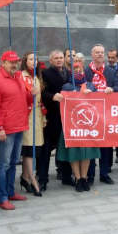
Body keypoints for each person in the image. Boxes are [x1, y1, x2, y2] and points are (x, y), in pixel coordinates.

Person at [0, 51, 37, 210]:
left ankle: (9, 191)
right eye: (11, 62)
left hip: (19, 126)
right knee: (3, 164)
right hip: (6, 129)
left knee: (14, 162)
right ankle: (2, 197)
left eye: (16, 62)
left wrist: (31, 94)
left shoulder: (19, 78)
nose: (14, 64)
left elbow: (23, 99)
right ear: (3, 63)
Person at [58, 62, 101, 192]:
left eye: (79, 68)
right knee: (73, 152)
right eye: (75, 68)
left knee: (87, 152)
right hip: (71, 124)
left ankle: (84, 177)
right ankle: (77, 178)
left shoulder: (90, 85)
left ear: (83, 70)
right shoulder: (67, 86)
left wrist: (91, 94)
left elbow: (99, 101)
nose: (77, 70)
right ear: (71, 71)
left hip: (88, 126)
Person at [85, 44, 118, 185]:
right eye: (97, 52)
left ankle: (105, 173)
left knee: (106, 145)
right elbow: (78, 86)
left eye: (101, 52)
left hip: (107, 113)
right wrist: (84, 89)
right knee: (92, 143)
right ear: (92, 55)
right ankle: (90, 174)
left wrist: (112, 89)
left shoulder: (111, 71)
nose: (100, 54)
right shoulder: (86, 71)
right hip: (90, 113)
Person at [40, 50, 73, 191]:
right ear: (51, 60)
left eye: (61, 57)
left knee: (65, 147)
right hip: (51, 116)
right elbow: (42, 92)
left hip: (66, 117)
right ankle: (42, 179)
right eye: (56, 58)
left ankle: (66, 176)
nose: (59, 60)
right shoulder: (45, 73)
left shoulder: (68, 72)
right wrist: (53, 96)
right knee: (46, 150)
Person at [19, 52, 45, 197]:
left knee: (35, 148)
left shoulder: (36, 76)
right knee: (29, 150)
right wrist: (30, 94)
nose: (33, 61)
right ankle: (33, 180)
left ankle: (25, 177)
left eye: (36, 59)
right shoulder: (21, 76)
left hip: (37, 116)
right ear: (25, 61)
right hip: (27, 117)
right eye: (30, 59)